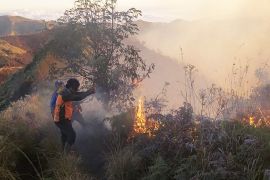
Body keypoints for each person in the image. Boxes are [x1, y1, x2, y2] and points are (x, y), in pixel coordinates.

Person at [54, 78, 95, 153]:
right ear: (71, 87)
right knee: (72, 135)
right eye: (75, 88)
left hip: (61, 119)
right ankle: (65, 155)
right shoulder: (65, 94)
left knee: (65, 136)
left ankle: (63, 152)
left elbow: (77, 94)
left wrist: (87, 92)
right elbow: (77, 97)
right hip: (62, 119)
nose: (76, 90)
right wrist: (88, 93)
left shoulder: (66, 91)